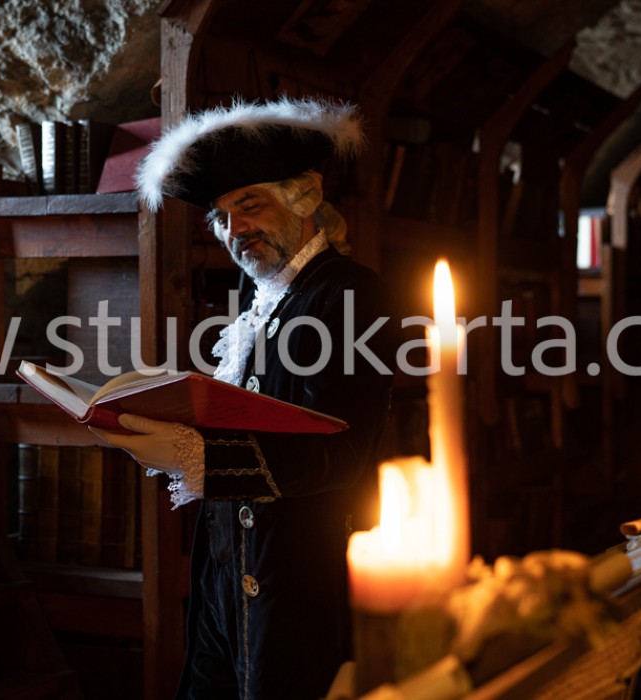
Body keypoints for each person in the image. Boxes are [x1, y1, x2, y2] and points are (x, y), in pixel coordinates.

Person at [92, 96, 400, 699]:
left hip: (301, 583)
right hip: (225, 574)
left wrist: (197, 458)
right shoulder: (257, 298)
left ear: (304, 197)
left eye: (249, 207)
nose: (234, 232)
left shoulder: (349, 294)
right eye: (220, 217)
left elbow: (342, 452)